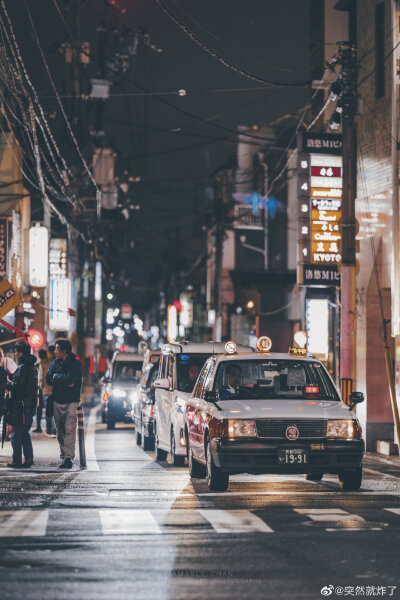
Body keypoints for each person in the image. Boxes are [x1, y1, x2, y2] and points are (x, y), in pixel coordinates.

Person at [46, 339, 82, 469]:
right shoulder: (54, 363)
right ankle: (64, 454)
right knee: (60, 431)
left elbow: (71, 380)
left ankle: (68, 458)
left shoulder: (75, 364)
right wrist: (61, 379)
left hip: (72, 401)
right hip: (57, 400)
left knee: (70, 430)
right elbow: (48, 379)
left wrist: (57, 377)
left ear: (64, 351)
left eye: (56, 349)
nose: (54, 352)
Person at [6, 340, 38, 468]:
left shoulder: (23, 368)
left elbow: (17, 387)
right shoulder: (32, 366)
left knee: (16, 433)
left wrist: (7, 382)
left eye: (16, 351)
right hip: (30, 404)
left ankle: (17, 460)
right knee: (24, 433)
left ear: (20, 353)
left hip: (22, 406)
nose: (15, 354)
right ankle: (29, 458)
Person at [38, 348, 56, 436]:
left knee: (48, 412)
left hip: (46, 391)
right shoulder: (57, 363)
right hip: (56, 391)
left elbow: (40, 379)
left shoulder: (43, 364)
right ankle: (54, 429)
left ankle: (49, 430)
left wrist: (40, 388)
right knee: (55, 411)